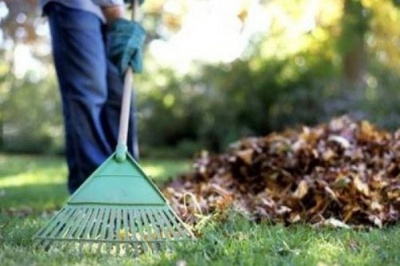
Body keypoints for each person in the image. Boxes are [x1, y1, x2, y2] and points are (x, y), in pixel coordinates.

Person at [38, 0, 146, 193]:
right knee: (89, 92)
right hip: (76, 5)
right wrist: (115, 9)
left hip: (113, 10)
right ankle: (93, 190)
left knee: (120, 96)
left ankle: (125, 188)